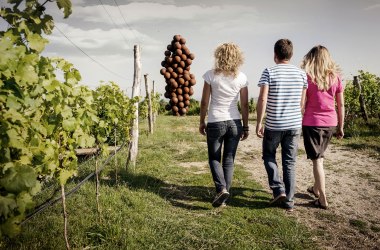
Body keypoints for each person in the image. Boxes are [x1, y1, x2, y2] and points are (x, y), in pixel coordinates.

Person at [256, 39, 307, 211]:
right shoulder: (301, 74)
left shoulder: (269, 72)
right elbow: (302, 103)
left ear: (275, 54)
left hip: (274, 124)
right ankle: (290, 201)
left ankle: (278, 189)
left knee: (269, 155)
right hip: (294, 124)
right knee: (289, 162)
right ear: (291, 54)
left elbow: (263, 99)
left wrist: (259, 122)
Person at [199, 42, 249, 208]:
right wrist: (246, 125)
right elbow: (244, 105)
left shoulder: (210, 75)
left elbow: (205, 102)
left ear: (218, 56)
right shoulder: (241, 77)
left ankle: (221, 189)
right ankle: (224, 196)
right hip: (234, 122)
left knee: (214, 158)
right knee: (229, 159)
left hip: (215, 121)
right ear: (238, 58)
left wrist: (201, 121)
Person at [300, 45, 345, 209]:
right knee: (320, 157)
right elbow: (340, 105)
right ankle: (315, 188)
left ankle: (322, 198)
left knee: (317, 160)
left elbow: (302, 103)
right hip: (330, 123)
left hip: (312, 123)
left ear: (312, 59)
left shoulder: (307, 78)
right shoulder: (336, 78)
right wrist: (341, 126)